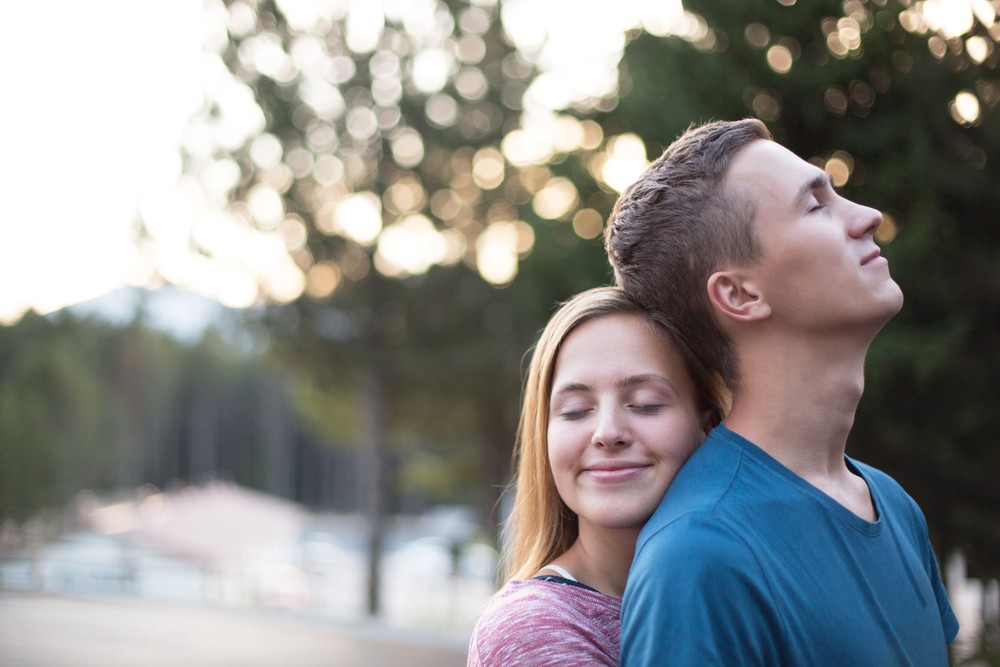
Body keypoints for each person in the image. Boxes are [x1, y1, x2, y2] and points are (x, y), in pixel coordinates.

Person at [605, 118, 959, 665]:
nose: (867, 218)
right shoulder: (699, 559)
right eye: (817, 205)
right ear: (740, 294)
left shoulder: (892, 505)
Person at [467, 286, 727, 666]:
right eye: (575, 410)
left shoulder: (746, 597)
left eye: (645, 404)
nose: (607, 432)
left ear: (708, 427)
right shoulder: (534, 627)